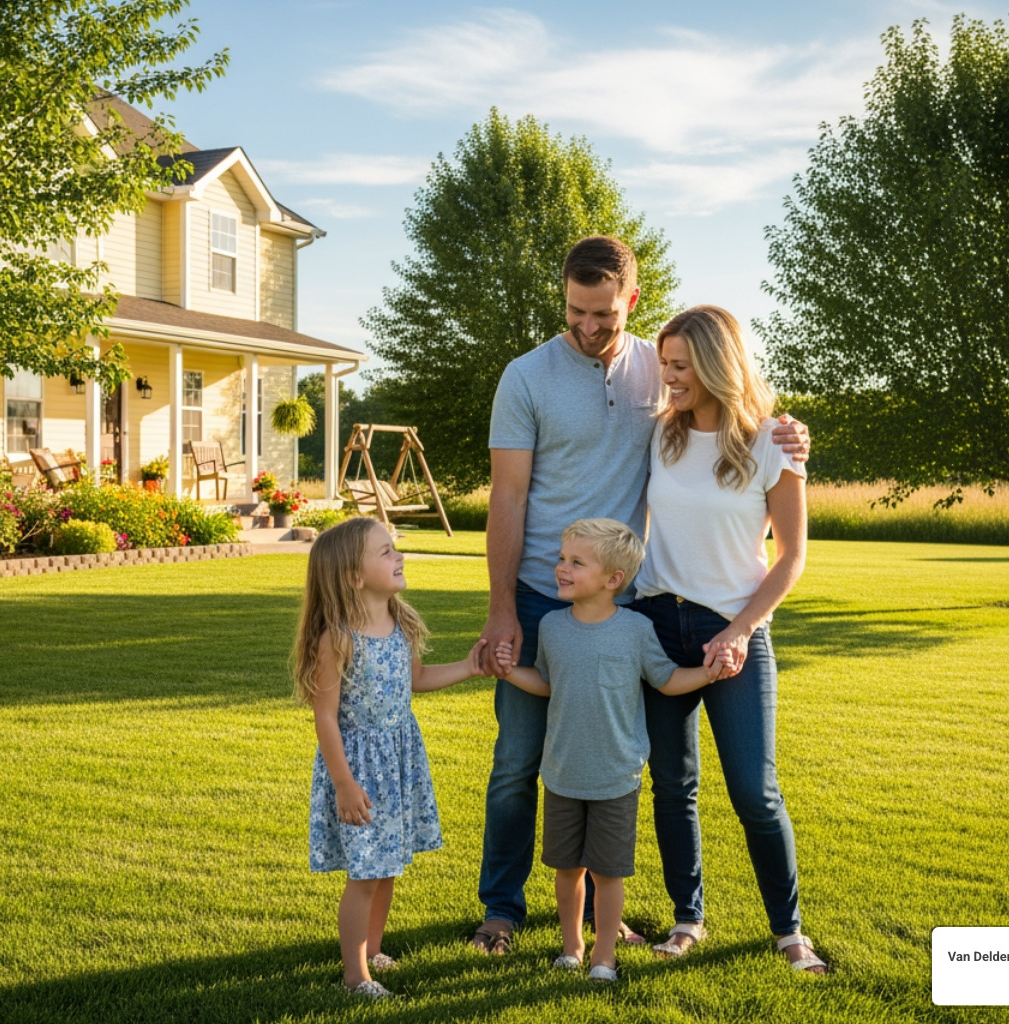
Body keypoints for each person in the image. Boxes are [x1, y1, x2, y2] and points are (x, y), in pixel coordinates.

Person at [472, 235, 810, 955]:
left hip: (631, 608)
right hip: (545, 597)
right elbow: (507, 496)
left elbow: (732, 407)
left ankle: (611, 914)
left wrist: (786, 433)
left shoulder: (660, 374)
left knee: (615, 765)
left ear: (630, 299)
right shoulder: (530, 378)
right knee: (518, 764)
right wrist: (502, 608)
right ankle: (503, 909)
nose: (588, 327)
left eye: (604, 314)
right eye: (575, 311)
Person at [632, 304, 826, 973]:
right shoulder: (660, 435)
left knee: (755, 792)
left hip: (734, 630)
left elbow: (792, 558)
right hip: (658, 623)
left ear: (718, 364)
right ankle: (687, 918)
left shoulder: (775, 442)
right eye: (665, 364)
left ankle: (789, 931)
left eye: (681, 366)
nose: (669, 377)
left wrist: (741, 632)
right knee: (672, 785)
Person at [494, 518, 730, 982]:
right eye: (562, 558)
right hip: (562, 773)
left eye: (576, 562)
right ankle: (572, 948)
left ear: (612, 579)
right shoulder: (551, 626)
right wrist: (509, 671)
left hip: (616, 778)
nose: (561, 568)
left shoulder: (636, 630)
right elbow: (546, 683)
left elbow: (666, 680)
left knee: (607, 875)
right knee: (567, 870)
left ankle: (604, 956)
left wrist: (708, 673)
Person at [293, 517, 488, 998]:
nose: (398, 556)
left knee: (386, 867)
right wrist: (344, 784)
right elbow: (325, 718)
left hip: (398, 762)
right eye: (385, 551)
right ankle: (355, 976)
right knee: (365, 873)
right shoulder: (338, 639)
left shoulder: (401, 622)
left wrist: (469, 667)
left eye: (394, 547)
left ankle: (373, 948)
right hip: (359, 769)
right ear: (353, 577)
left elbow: (415, 679)